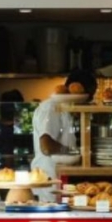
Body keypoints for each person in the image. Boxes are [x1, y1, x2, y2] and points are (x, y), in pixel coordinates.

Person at [30, 69, 97, 197]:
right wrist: (74, 152)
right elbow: (46, 146)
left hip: (60, 177)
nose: (90, 99)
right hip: (49, 180)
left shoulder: (66, 107)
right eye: (90, 95)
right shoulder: (51, 107)